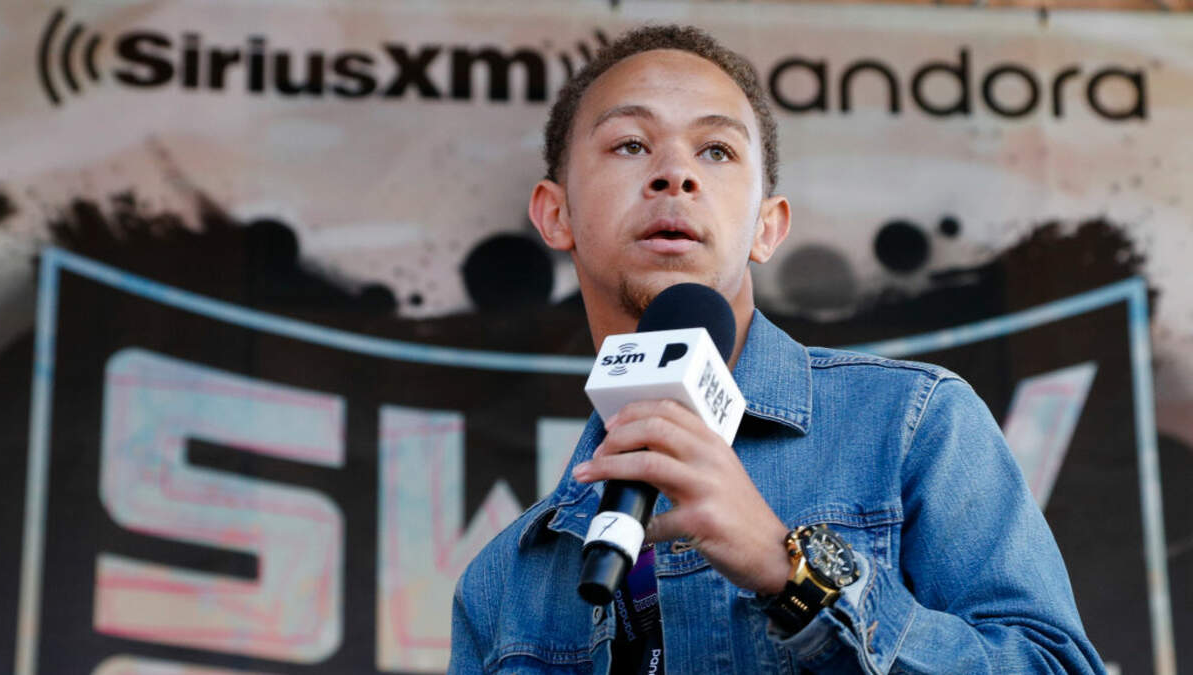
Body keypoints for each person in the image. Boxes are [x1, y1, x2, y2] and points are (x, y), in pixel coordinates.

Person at [449, 24, 1104, 674]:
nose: (675, 174)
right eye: (630, 144)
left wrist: (789, 567)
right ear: (555, 214)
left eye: (716, 151)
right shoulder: (500, 585)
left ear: (768, 226)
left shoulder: (913, 423)